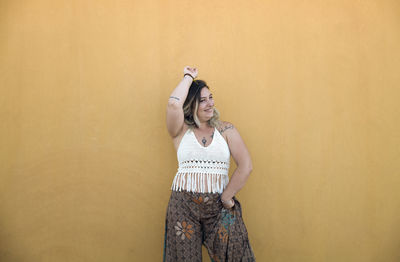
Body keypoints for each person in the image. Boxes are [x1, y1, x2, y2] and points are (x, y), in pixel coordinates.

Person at [163, 66, 256, 262]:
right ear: (191, 104)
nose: (209, 104)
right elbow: (173, 105)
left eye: (210, 98)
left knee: (234, 255)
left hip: (218, 206)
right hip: (183, 207)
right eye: (202, 100)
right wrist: (188, 77)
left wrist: (227, 196)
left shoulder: (226, 129)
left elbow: (245, 165)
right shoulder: (180, 130)